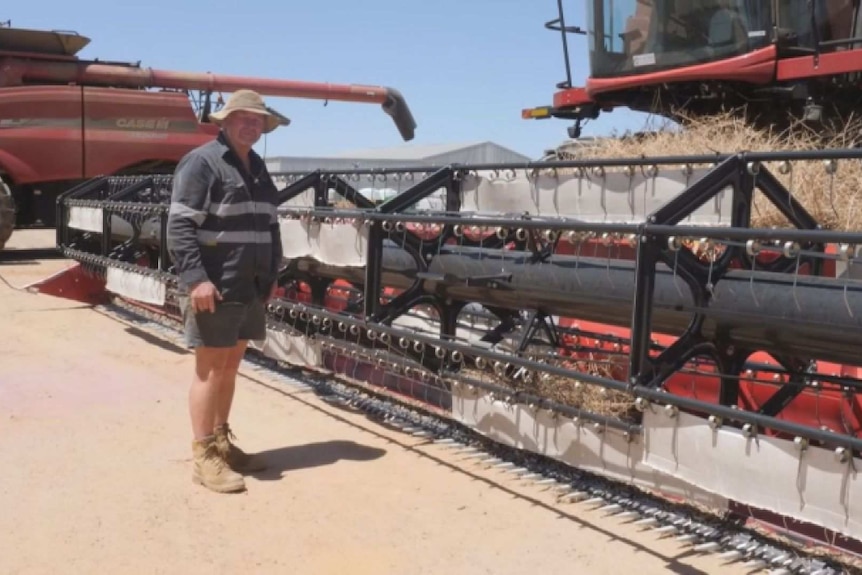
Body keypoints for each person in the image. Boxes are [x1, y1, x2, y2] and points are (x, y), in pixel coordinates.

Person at [166, 89, 289, 493]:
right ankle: (204, 457)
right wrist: (196, 279)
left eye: (258, 121)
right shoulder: (202, 163)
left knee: (231, 367)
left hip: (249, 284)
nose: (252, 126)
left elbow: (270, 224)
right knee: (209, 369)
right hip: (214, 284)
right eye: (244, 119)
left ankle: (221, 442)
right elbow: (180, 225)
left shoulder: (256, 166)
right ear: (226, 121)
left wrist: (272, 273)